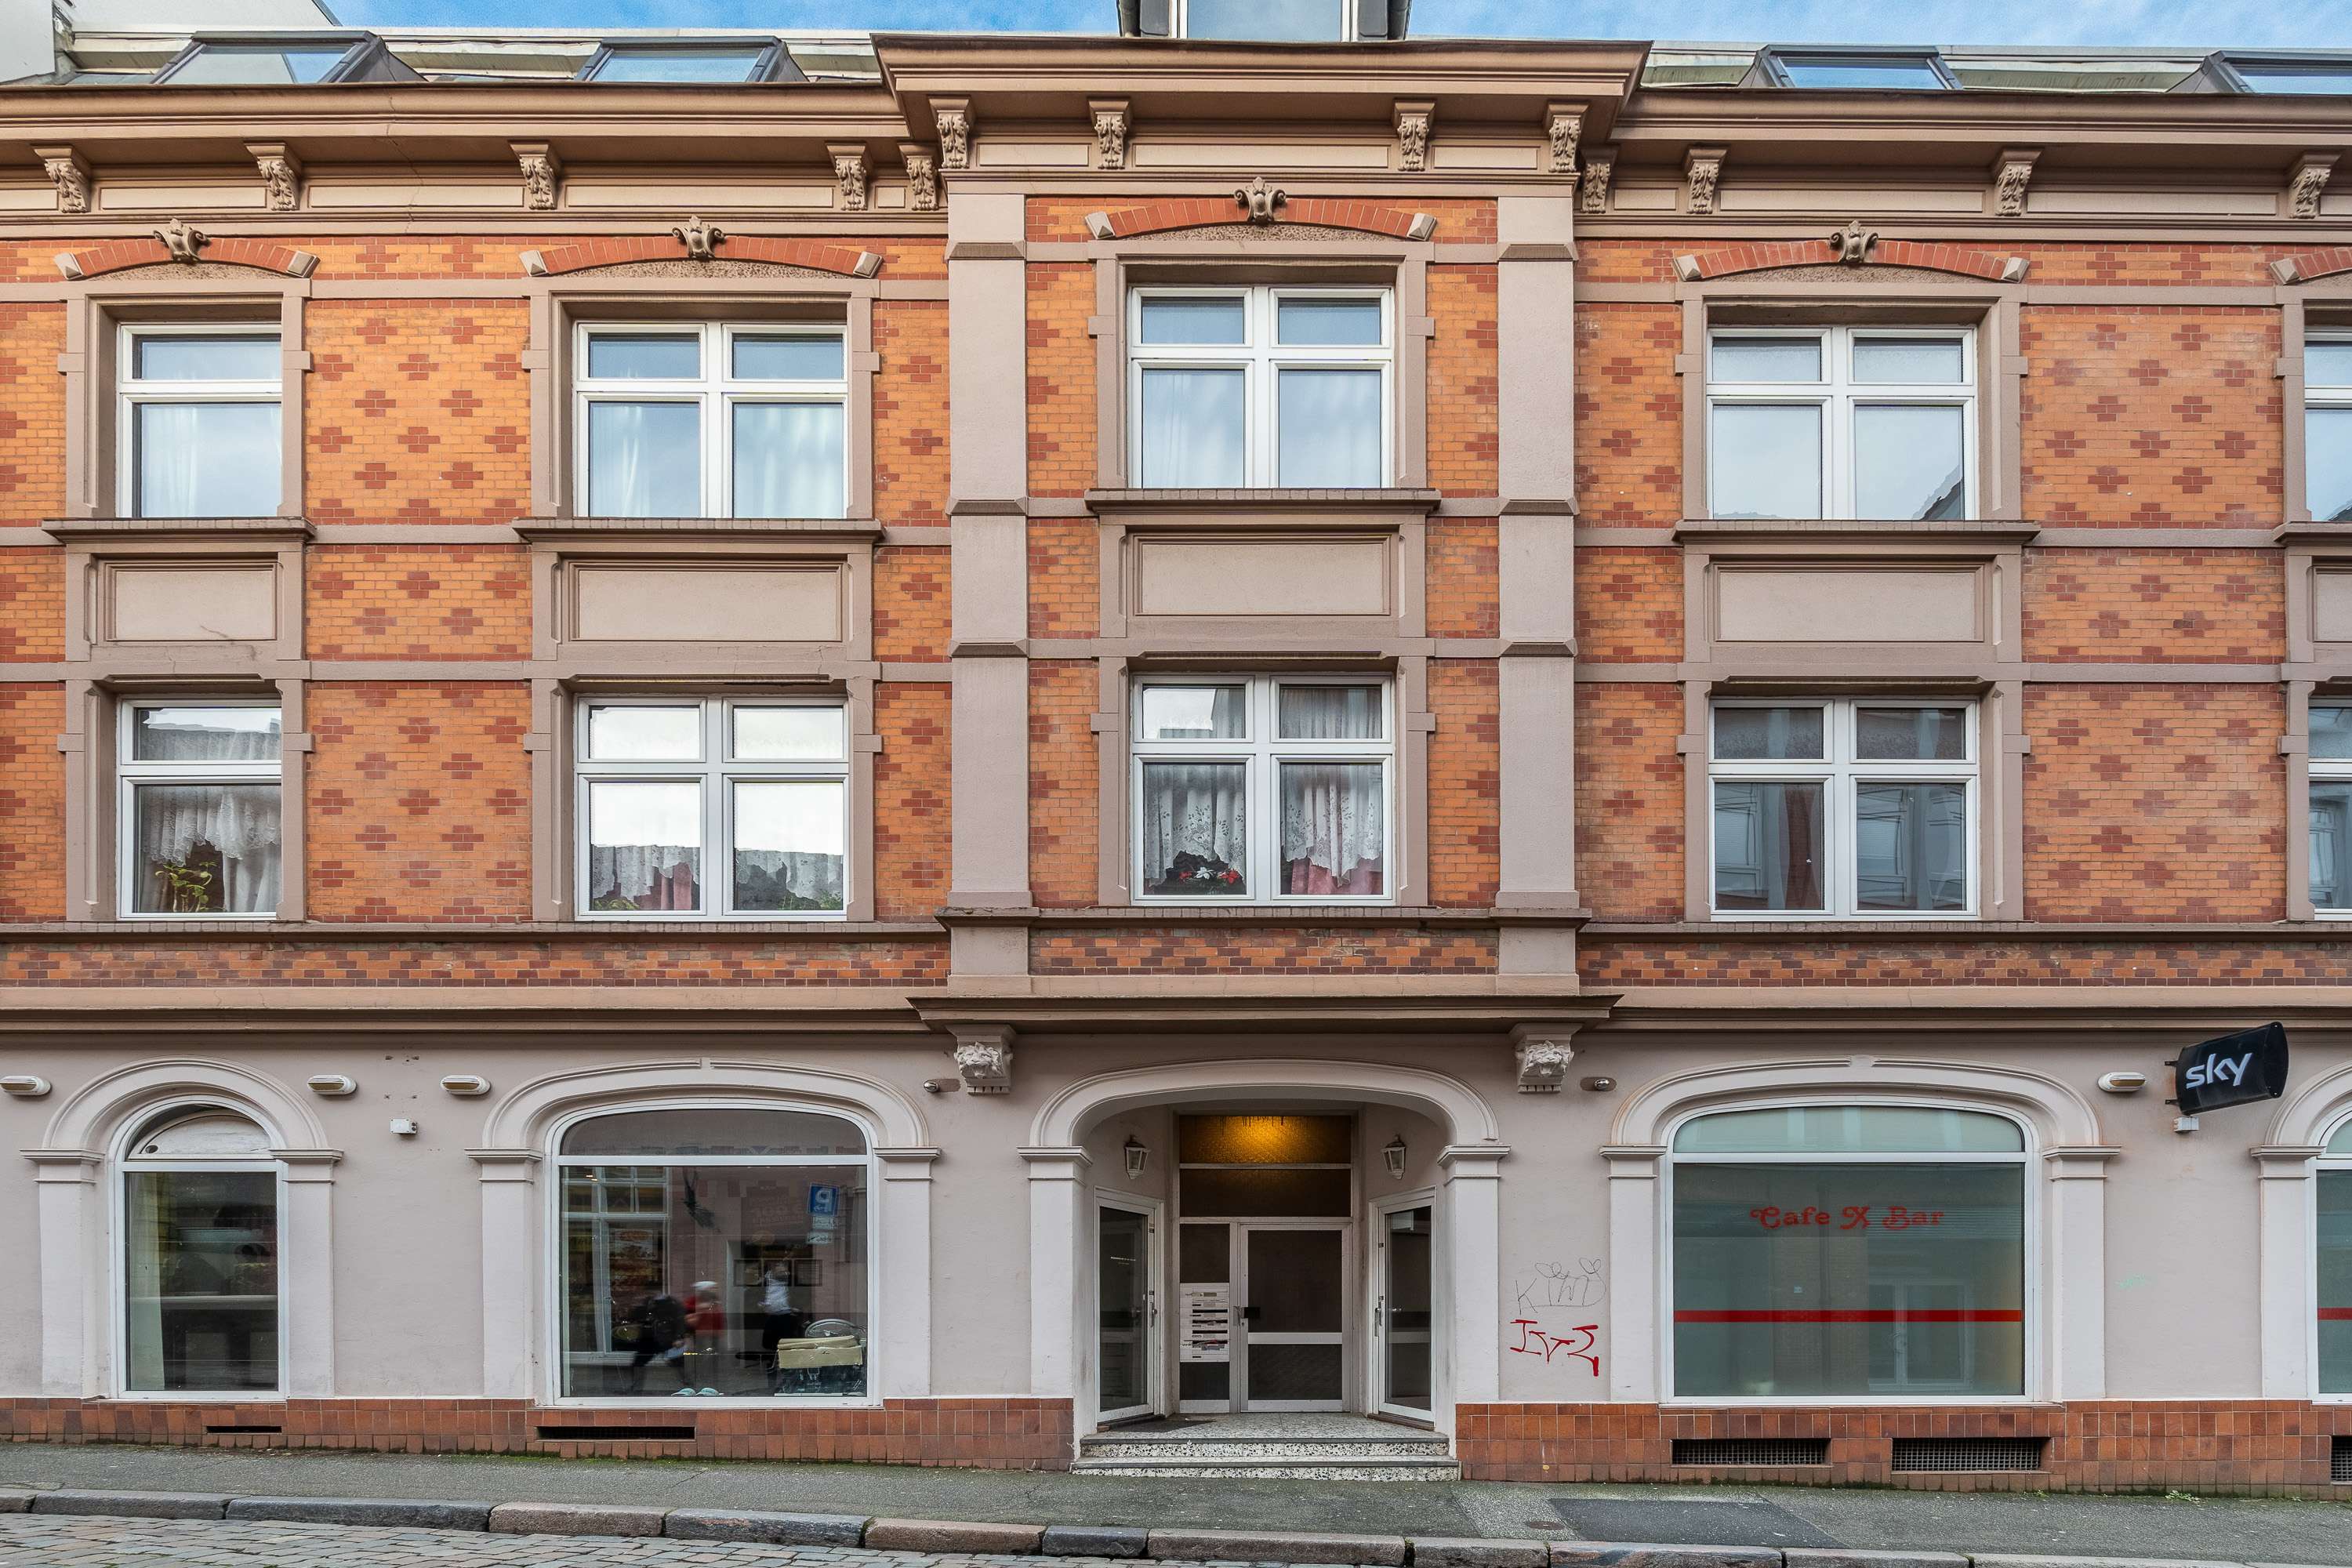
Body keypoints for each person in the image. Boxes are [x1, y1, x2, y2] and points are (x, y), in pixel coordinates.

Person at [619, 1289, 689, 1393]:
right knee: (638, 1363)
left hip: (667, 1338)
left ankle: (688, 1385)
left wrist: (678, 1337)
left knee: (678, 1364)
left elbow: (679, 1320)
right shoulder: (648, 1301)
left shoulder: (672, 1303)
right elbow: (638, 1316)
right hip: (650, 1340)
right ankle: (636, 1389)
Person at [759, 1260, 807, 1393]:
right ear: (773, 1270)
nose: (784, 1273)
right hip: (771, 1320)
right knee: (771, 1353)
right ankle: (771, 1385)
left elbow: (803, 1294)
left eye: (785, 1270)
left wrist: (797, 1309)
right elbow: (752, 1296)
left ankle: (791, 1383)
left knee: (790, 1351)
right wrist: (760, 1305)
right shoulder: (764, 1282)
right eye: (780, 1270)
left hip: (788, 1319)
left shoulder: (792, 1280)